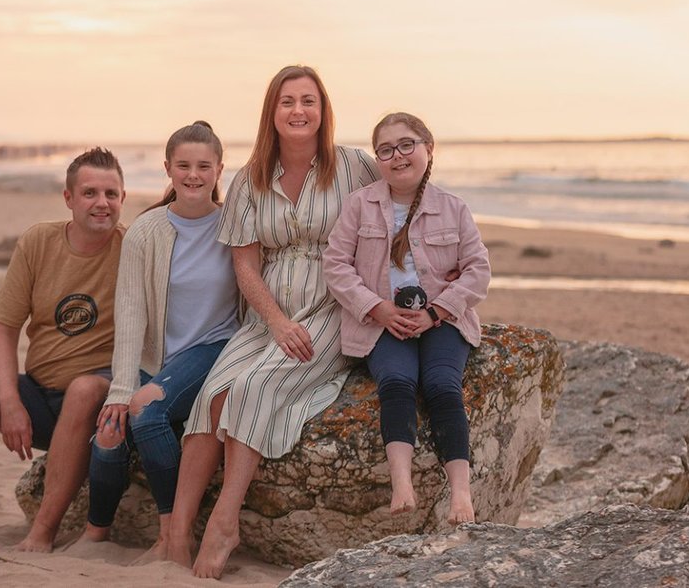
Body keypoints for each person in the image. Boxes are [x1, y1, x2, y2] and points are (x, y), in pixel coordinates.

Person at [166, 66, 378, 579]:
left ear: (323, 111)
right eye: (287, 102)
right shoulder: (251, 177)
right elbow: (245, 263)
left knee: (256, 386)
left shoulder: (354, 167)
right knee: (214, 394)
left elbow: (403, 209)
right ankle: (175, 532)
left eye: (308, 101)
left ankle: (224, 522)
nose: (298, 111)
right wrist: (277, 321)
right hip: (267, 316)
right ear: (272, 112)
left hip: (333, 306)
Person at [0, 147, 127, 552]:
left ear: (123, 199)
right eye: (90, 193)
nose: (102, 203)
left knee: (84, 389)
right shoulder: (39, 242)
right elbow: (4, 330)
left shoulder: (134, 249)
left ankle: (42, 533)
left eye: (111, 194)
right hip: (40, 393)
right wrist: (10, 402)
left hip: (99, 398)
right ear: (69, 198)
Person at [81, 121, 241, 560]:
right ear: (168, 169)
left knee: (146, 412)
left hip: (212, 349)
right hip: (158, 358)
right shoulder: (146, 231)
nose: (194, 175)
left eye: (204, 166)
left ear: (219, 170)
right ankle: (96, 534)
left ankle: (173, 535)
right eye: (184, 165)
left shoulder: (235, 226)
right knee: (110, 431)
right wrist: (119, 387)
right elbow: (130, 312)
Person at [322, 112, 491, 524]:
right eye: (385, 149)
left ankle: (461, 496)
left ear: (428, 149)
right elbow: (336, 265)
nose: (397, 156)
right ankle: (402, 484)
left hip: (440, 321)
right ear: (377, 159)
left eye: (406, 145)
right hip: (383, 322)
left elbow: (478, 270)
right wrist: (376, 308)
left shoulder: (453, 208)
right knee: (396, 383)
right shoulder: (360, 205)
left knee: (441, 385)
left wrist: (436, 311)